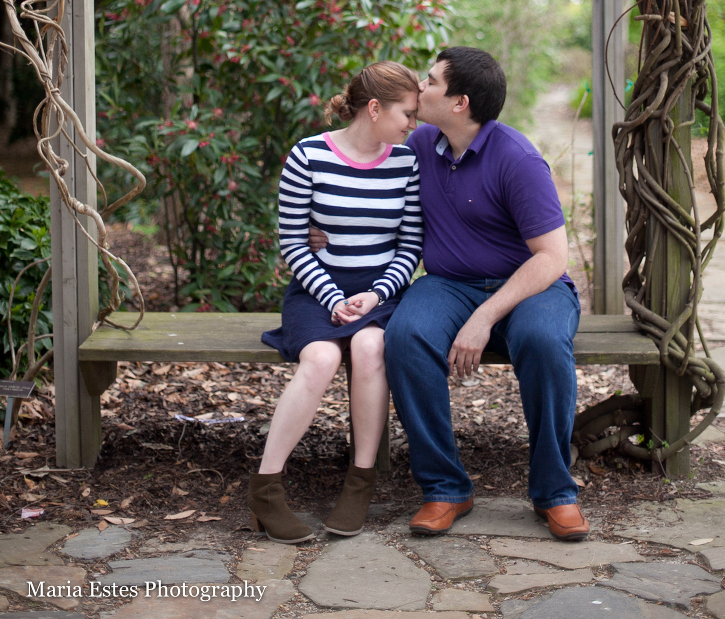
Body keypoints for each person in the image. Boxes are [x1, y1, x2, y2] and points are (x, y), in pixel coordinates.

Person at [312, 47, 587, 541]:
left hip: (530, 286)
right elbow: (356, 171)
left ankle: (555, 492)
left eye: (431, 81)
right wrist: (320, 225)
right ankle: (445, 487)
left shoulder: (517, 159)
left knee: (544, 342)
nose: (420, 87)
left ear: (459, 102)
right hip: (448, 284)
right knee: (407, 335)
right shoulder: (419, 146)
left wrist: (484, 317)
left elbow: (551, 258)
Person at [250, 61, 422, 545]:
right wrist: (332, 296)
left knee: (371, 349)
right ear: (374, 108)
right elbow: (292, 243)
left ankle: (359, 482)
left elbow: (411, 246)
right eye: (406, 114)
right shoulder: (308, 155)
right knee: (322, 356)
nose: (412, 124)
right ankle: (265, 489)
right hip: (316, 286)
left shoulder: (405, 163)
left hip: (381, 290)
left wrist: (377, 293)